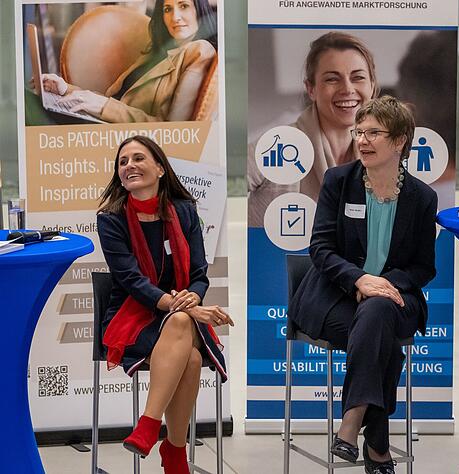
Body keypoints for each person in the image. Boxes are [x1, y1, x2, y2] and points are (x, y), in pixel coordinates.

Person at [287, 96, 437, 474]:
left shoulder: (422, 197)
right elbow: (320, 248)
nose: (363, 141)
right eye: (359, 132)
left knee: (378, 312)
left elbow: (423, 267)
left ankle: (352, 421)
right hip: (333, 298)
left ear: (401, 140)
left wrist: (382, 285)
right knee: (379, 333)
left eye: (374, 133)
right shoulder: (339, 181)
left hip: (394, 299)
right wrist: (359, 280)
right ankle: (378, 442)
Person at [97, 135, 232, 474]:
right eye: (123, 161)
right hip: (132, 315)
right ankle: (173, 449)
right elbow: (130, 279)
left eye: (138, 158)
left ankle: (148, 426)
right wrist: (185, 308)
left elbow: (200, 274)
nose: (129, 166)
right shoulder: (110, 218)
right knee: (188, 355)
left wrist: (194, 298)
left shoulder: (184, 210)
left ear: (159, 168)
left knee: (182, 324)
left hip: (178, 315)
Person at [248, 31, 379, 226]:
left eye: (357, 77)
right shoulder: (279, 146)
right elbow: (220, 193)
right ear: (311, 89)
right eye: (332, 79)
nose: (347, 89)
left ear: (372, 86)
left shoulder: (385, 153)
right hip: (277, 256)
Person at [40, 0, 217, 123]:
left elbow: (176, 131)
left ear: (199, 9)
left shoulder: (199, 51)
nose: (175, 17)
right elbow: (116, 101)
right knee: (34, 103)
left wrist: (104, 108)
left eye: (184, 6)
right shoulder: (158, 51)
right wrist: (65, 89)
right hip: (103, 124)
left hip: (129, 142)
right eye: (167, 9)